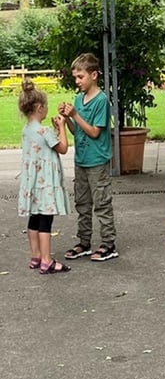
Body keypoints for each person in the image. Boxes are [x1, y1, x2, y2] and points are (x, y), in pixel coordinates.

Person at [59, 53, 118, 262]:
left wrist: (75, 115)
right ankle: (84, 242)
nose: (77, 81)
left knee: (101, 203)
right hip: (81, 160)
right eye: (75, 77)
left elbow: (94, 132)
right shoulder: (78, 99)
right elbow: (78, 132)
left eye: (80, 77)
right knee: (82, 203)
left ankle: (108, 244)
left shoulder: (101, 100)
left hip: (97, 162)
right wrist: (66, 120)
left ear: (94, 75)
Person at [18, 79, 71, 274]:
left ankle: (36, 256)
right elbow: (63, 148)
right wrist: (62, 127)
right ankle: (47, 260)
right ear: (40, 107)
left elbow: (45, 146)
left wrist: (55, 132)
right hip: (46, 185)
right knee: (45, 222)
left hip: (32, 183)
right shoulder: (44, 130)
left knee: (34, 218)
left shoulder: (27, 130)